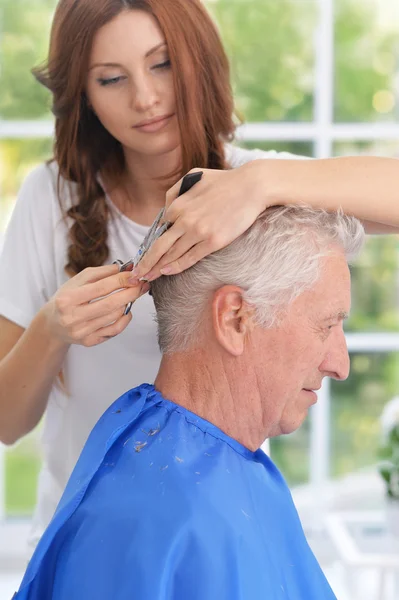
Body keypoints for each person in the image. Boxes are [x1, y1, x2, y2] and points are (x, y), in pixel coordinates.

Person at [0, 0, 398, 552]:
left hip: (218, 532)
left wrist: (258, 184)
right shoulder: (51, 201)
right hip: (88, 541)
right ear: (83, 96)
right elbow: (6, 422)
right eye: (111, 78)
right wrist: (51, 329)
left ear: (196, 60)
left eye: (161, 64)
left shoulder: (258, 190)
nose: (144, 97)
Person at [13, 205, 364, 600]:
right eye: (326, 325)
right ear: (235, 318)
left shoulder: (207, 470)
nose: (341, 365)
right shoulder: (148, 519)